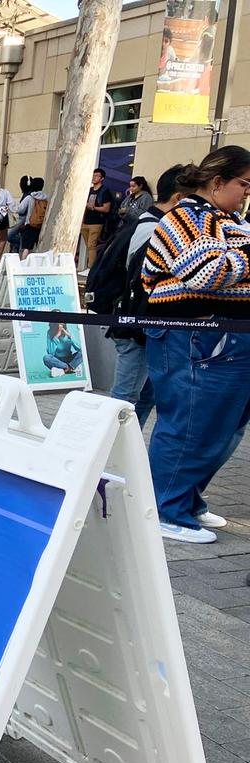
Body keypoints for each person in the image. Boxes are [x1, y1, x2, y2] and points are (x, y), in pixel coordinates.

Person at [140, 144, 250, 544]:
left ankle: (185, 499)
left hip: (223, 336)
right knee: (190, 424)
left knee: (223, 428)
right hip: (195, 336)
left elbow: (222, 267)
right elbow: (205, 272)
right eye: (244, 183)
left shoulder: (227, 220)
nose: (247, 193)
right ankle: (164, 507)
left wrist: (237, 258)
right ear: (218, 181)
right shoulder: (187, 217)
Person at [93, 165, 187, 429]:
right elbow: (137, 280)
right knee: (125, 399)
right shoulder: (154, 228)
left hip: (143, 325)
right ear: (179, 198)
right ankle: (110, 448)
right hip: (135, 325)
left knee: (143, 396)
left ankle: (125, 447)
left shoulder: (151, 222)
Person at [81, 168, 114, 273]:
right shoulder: (89, 190)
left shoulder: (104, 191)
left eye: (97, 176)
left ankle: (91, 268)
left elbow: (106, 208)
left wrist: (93, 207)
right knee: (89, 245)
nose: (94, 177)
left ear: (102, 178)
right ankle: (89, 266)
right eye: (93, 175)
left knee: (92, 245)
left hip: (97, 221)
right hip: (85, 221)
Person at [15, 178, 50, 258]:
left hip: (30, 225)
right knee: (39, 248)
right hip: (41, 226)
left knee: (26, 247)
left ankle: (23, 262)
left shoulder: (29, 197)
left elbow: (20, 209)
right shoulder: (46, 198)